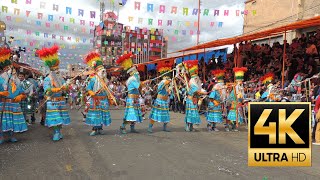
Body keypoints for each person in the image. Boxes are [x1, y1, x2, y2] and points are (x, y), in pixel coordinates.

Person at [37, 45, 70, 141]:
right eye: (55, 69)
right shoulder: (47, 79)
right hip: (52, 101)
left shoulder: (61, 78)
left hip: (61, 101)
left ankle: (59, 131)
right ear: (51, 70)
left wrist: (67, 86)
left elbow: (65, 88)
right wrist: (54, 89)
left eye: (58, 69)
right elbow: (46, 90)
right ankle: (56, 132)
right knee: (55, 118)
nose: (57, 70)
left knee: (61, 118)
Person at [0, 47, 28, 144]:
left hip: (14, 104)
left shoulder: (17, 81)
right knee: (3, 120)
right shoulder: (1, 78)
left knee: (13, 120)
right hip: (3, 103)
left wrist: (21, 96)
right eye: (10, 68)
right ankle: (1, 137)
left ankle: (12, 135)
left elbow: (23, 93)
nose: (13, 70)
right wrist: (1, 93)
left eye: (14, 68)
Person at [83, 51, 112, 136]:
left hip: (104, 100)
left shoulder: (105, 81)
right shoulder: (93, 79)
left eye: (103, 70)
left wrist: (109, 97)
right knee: (96, 115)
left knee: (102, 114)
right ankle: (94, 129)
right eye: (100, 70)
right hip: (96, 99)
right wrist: (91, 93)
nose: (103, 72)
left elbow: (107, 91)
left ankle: (100, 128)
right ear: (97, 71)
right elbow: (88, 88)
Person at [116, 53, 144, 134]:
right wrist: (145, 82)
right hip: (131, 99)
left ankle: (132, 128)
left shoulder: (135, 79)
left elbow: (139, 87)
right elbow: (138, 86)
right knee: (130, 114)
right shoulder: (132, 79)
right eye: (136, 72)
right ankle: (122, 127)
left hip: (135, 98)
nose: (138, 73)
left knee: (134, 114)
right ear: (132, 72)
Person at [182, 60, 208, 132]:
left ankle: (191, 127)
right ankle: (187, 126)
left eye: (197, 78)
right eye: (196, 78)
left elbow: (200, 89)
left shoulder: (196, 81)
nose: (197, 79)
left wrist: (204, 92)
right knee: (190, 113)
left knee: (193, 114)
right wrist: (203, 92)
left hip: (194, 100)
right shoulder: (192, 81)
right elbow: (197, 90)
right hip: (190, 100)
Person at [148, 61, 172, 133]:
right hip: (160, 100)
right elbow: (167, 90)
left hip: (164, 101)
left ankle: (164, 127)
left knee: (166, 114)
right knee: (155, 114)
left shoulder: (166, 82)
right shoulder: (163, 82)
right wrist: (169, 88)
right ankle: (150, 127)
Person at [226, 67, 247, 132]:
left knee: (236, 116)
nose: (241, 82)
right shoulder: (236, 88)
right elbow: (234, 96)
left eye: (242, 81)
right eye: (240, 81)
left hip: (238, 103)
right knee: (232, 116)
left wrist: (243, 100)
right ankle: (227, 125)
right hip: (234, 103)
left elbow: (242, 95)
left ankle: (233, 126)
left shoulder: (240, 87)